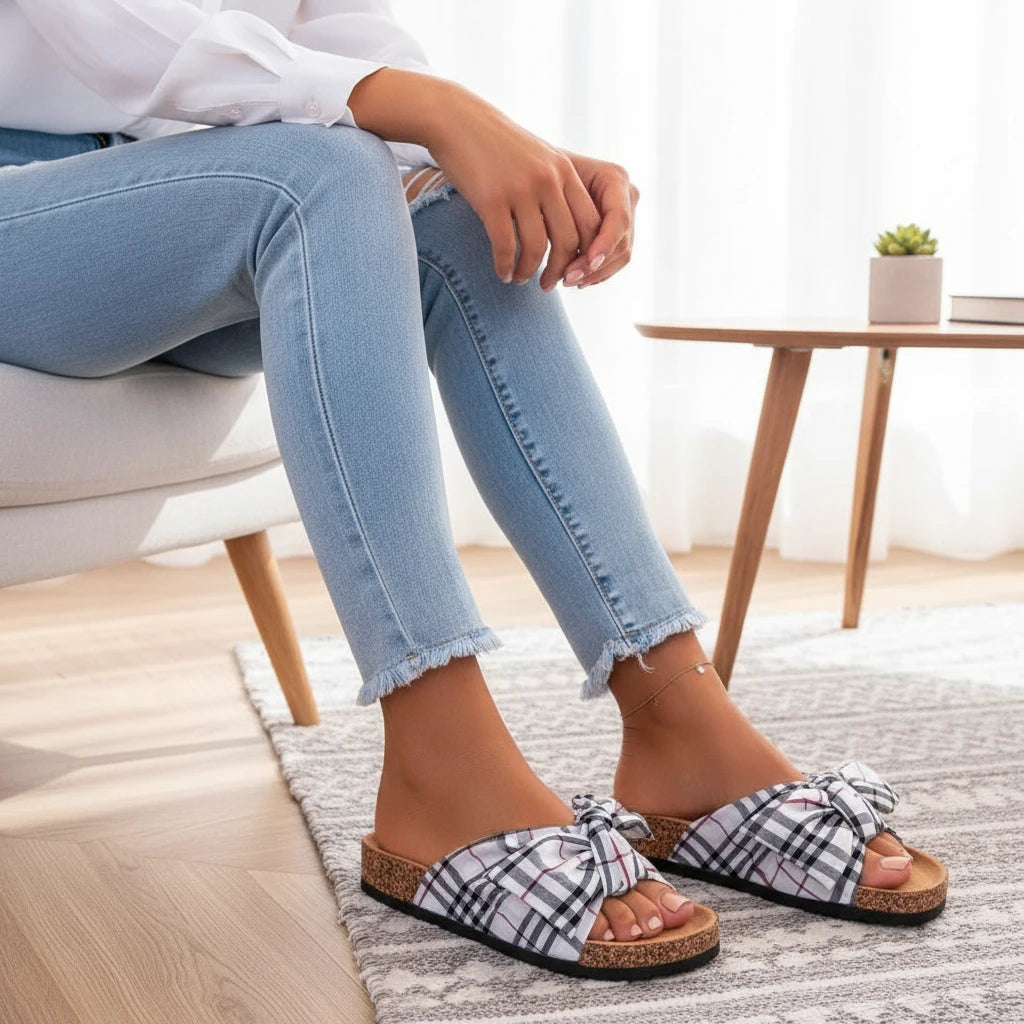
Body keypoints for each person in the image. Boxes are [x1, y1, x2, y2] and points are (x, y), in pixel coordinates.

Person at [0, 0, 945, 982]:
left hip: (157, 194)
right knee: (321, 174)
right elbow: (119, 29)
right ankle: (437, 763)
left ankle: (677, 720)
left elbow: (341, 38)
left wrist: (506, 156)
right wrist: (436, 109)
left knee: (451, 212)